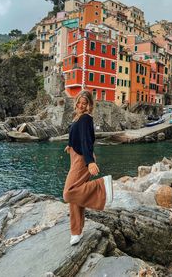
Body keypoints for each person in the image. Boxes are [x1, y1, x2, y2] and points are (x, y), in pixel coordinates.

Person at [63, 90, 113, 246]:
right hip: (76, 156)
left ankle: (101, 187)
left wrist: (90, 161)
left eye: (84, 103)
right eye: (78, 102)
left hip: (82, 159)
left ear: (89, 105)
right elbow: (78, 136)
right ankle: (77, 231)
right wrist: (70, 145)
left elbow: (86, 141)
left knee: (68, 193)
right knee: (75, 198)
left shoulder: (85, 118)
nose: (80, 105)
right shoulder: (78, 117)